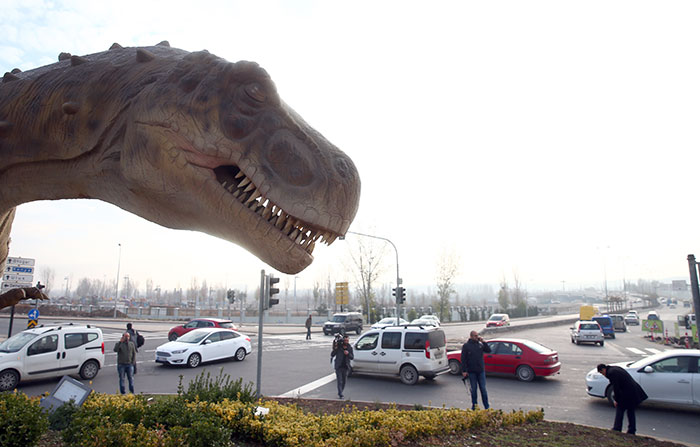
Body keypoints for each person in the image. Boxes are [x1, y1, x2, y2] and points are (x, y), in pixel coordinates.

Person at [597, 364, 648, 435]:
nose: (604, 375)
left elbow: (616, 388)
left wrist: (616, 400)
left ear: (603, 370)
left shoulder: (611, 373)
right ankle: (631, 430)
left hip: (628, 393)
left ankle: (617, 428)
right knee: (630, 411)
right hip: (633, 390)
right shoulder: (615, 368)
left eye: (602, 373)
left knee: (620, 409)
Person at [461, 330, 491, 410]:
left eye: (477, 335)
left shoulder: (480, 345)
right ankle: (474, 406)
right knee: (474, 390)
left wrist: (483, 341)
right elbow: (463, 359)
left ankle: (486, 407)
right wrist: (464, 370)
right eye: (475, 336)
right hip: (471, 371)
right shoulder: (466, 346)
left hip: (480, 371)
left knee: (483, 389)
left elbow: (488, 350)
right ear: (471, 336)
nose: (476, 337)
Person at [331, 334, 353, 399]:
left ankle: (341, 392)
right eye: (345, 340)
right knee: (339, 381)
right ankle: (340, 393)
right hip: (339, 366)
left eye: (347, 340)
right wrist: (335, 348)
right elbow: (332, 354)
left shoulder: (349, 348)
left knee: (344, 381)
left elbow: (352, 357)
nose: (346, 342)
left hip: (345, 367)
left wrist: (348, 353)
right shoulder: (339, 347)